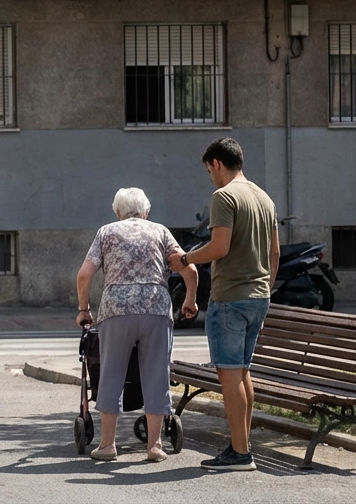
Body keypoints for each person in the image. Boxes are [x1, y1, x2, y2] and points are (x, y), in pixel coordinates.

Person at [167, 137, 280, 472]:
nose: (210, 178)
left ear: (216, 163)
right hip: (259, 295)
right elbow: (274, 253)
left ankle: (240, 453)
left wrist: (185, 257)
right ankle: (240, 444)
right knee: (242, 372)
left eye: (209, 170)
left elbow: (219, 247)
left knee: (230, 375)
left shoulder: (224, 196)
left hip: (231, 296)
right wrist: (265, 288)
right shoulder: (264, 198)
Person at [76, 187, 198, 463]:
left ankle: (108, 445)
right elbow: (189, 268)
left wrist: (84, 310)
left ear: (117, 212)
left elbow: (84, 274)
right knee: (156, 374)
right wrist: (189, 300)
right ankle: (154, 446)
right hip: (155, 308)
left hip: (116, 310)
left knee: (111, 373)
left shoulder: (107, 232)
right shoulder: (160, 231)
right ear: (146, 212)